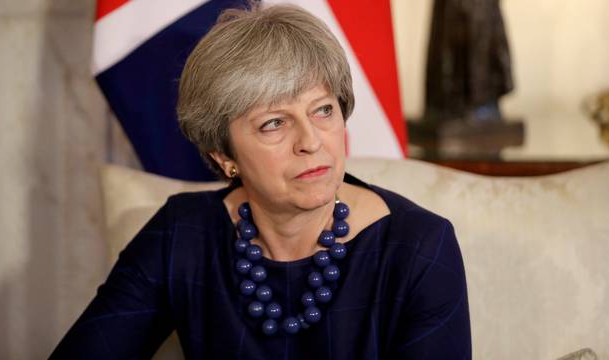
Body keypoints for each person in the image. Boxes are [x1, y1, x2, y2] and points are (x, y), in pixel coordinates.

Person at [52, 3, 471, 359]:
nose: (311, 142)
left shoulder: (419, 248)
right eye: (274, 123)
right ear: (224, 156)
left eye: (323, 110)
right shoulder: (182, 234)